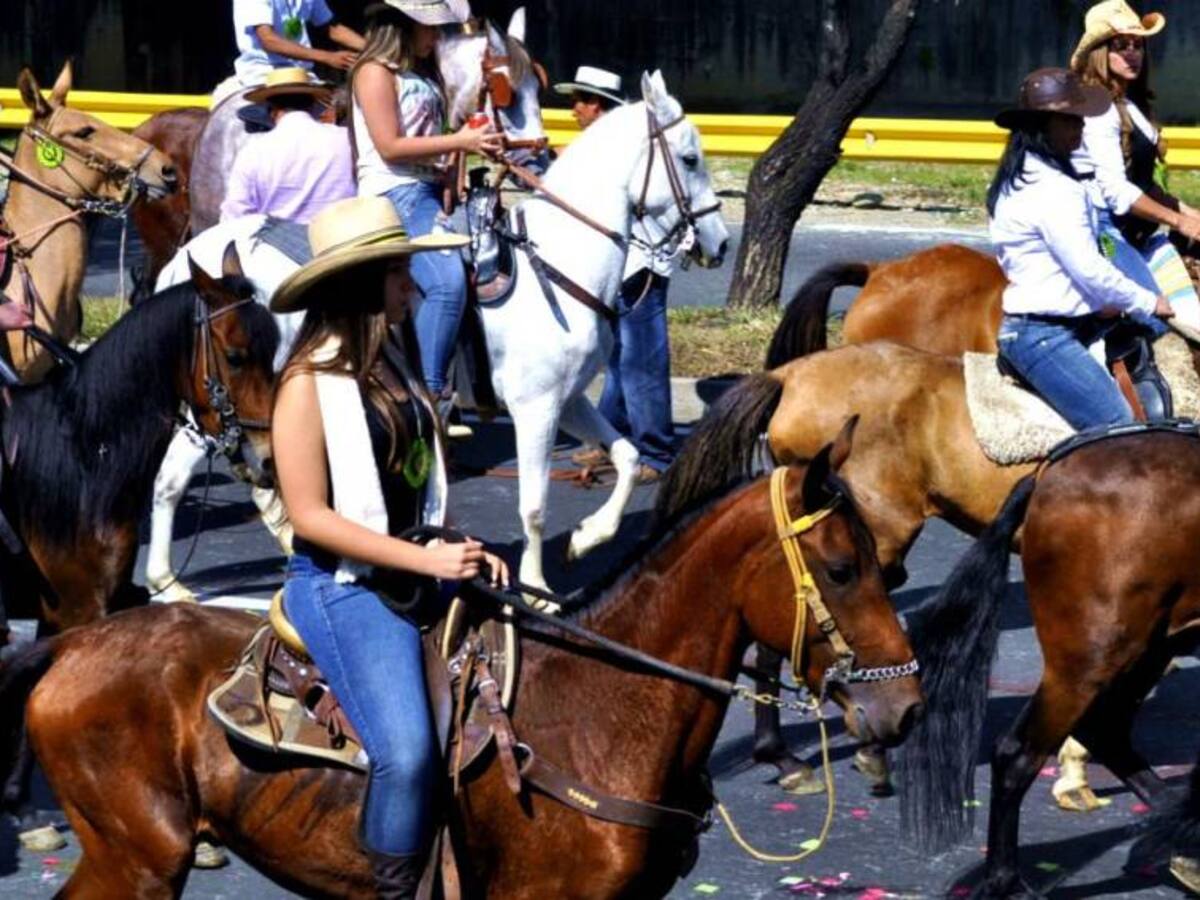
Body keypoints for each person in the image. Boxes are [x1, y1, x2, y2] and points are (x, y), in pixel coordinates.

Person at [271, 195, 508, 896]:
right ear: (362, 284)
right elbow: (310, 516)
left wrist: (459, 544)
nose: (413, 285)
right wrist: (427, 561)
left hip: (413, 564)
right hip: (340, 584)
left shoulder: (394, 364)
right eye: (400, 273)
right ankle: (395, 890)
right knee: (406, 755)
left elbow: (410, 485)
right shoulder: (305, 385)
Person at [988, 67, 1174, 431]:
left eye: (1081, 118)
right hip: (1044, 336)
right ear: (1041, 126)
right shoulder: (1055, 190)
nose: (1081, 126)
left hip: (1069, 323)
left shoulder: (1018, 178)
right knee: (1120, 425)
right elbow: (1089, 268)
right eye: (1070, 120)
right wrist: (1150, 302)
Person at [351, 0, 502, 419]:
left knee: (485, 267)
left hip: (427, 192)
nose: (436, 36)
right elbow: (389, 146)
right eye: (430, 27)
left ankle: (477, 385)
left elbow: (430, 138)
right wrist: (461, 142)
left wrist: (454, 158)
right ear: (404, 25)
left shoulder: (421, 74)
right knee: (446, 284)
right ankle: (429, 398)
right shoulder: (374, 71)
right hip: (394, 193)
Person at [554, 66, 676, 484]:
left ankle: (656, 453)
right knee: (620, 358)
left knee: (642, 362)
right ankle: (612, 436)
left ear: (598, 106)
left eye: (580, 102)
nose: (574, 109)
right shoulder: (601, 145)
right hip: (618, 265)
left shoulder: (623, 148)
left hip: (641, 262)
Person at [1070, 1, 1200, 331]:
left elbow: (1141, 183)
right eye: (1121, 45)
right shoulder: (1098, 107)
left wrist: (1189, 213)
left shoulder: (1129, 104)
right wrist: (1178, 221)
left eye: (1137, 45)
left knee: (1192, 313)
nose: (1132, 53)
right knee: (1157, 320)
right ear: (1100, 53)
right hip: (1106, 231)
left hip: (1139, 229)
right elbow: (1116, 191)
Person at [219, 67, 356, 224]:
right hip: (342, 235)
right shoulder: (347, 139)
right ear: (312, 106)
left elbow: (236, 215)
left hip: (274, 238)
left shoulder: (253, 151)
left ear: (272, 111)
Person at [213, 0, 365, 104]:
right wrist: (327, 57)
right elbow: (268, 40)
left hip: (302, 75)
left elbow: (333, 29)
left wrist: (373, 48)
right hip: (263, 74)